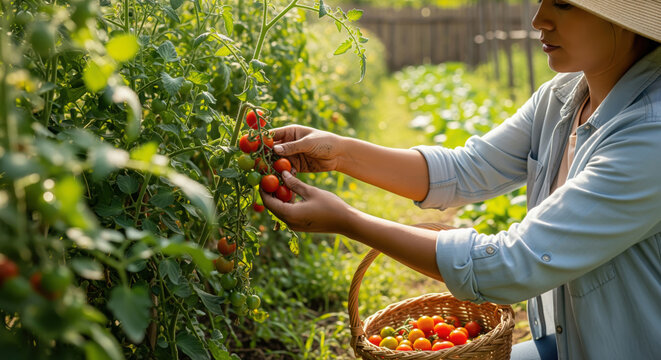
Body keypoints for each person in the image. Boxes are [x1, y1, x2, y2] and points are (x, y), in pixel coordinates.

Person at [260, 1, 661, 359]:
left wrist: (349, 221)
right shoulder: (561, 97)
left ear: (626, 22)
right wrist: (340, 153)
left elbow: (512, 264)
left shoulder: (650, 137)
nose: (539, 18)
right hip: (564, 344)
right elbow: (466, 168)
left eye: (563, 4)